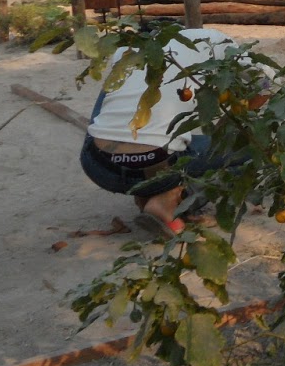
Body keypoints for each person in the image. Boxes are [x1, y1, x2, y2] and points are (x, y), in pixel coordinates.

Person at [79, 26, 253, 235]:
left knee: (112, 86)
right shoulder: (213, 38)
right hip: (159, 165)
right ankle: (166, 201)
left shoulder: (127, 50)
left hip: (99, 167)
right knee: (253, 148)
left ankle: (146, 195)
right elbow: (265, 84)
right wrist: (222, 130)